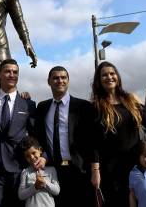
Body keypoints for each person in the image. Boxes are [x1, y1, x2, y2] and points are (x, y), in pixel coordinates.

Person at [90, 61, 146, 207]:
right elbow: (94, 142)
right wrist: (95, 170)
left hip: (136, 166)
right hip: (110, 170)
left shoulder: (131, 101)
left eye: (112, 73)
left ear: (117, 76)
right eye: (104, 75)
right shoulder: (96, 106)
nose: (109, 77)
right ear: (99, 80)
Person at [0, 59, 42, 207]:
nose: (11, 75)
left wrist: (40, 156)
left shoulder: (28, 104)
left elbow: (35, 135)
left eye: (15, 72)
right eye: (7, 71)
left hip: (18, 166)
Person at [34, 66, 95, 206]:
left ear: (68, 81)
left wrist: (93, 169)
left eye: (63, 77)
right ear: (49, 81)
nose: (60, 80)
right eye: (55, 78)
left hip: (78, 170)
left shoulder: (83, 106)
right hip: (52, 171)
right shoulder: (42, 107)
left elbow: (91, 140)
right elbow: (38, 136)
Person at [18, 136, 60, 207]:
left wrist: (44, 183)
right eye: (27, 156)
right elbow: (21, 195)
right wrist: (35, 187)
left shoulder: (51, 170)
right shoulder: (25, 172)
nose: (31, 157)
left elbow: (56, 191)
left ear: (40, 150)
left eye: (34, 153)